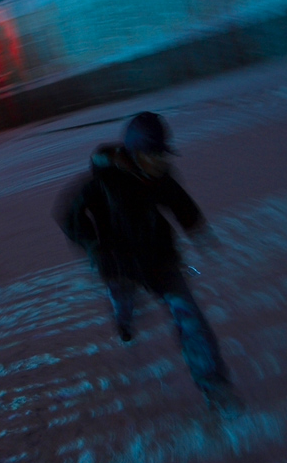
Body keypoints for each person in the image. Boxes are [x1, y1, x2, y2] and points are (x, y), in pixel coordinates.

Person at [54, 111, 242, 415]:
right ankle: (124, 321)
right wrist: (93, 246)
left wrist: (197, 229)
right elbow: (69, 215)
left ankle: (215, 386)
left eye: (163, 154)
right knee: (124, 300)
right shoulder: (104, 180)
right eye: (155, 154)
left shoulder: (160, 178)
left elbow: (181, 204)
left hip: (159, 260)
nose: (161, 161)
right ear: (136, 153)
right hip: (119, 265)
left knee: (190, 318)